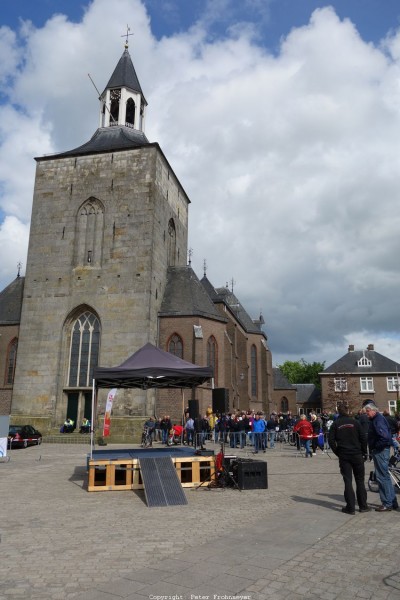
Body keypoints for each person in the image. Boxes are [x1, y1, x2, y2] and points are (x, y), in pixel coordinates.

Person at [328, 404, 370, 515]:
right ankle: (363, 506)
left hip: (344, 455)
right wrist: (364, 451)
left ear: (338, 411)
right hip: (357, 454)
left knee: (348, 481)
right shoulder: (355, 422)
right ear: (348, 411)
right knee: (360, 480)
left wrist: (337, 452)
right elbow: (363, 437)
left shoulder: (335, 424)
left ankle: (350, 507)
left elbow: (331, 441)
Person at [364, 401, 397, 512]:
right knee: (385, 476)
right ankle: (392, 501)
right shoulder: (377, 419)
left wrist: (375, 447)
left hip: (381, 451)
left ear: (374, 410)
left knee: (381, 477)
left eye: (368, 411)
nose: (367, 414)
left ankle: (387, 503)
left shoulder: (378, 420)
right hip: (382, 450)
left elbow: (385, 437)